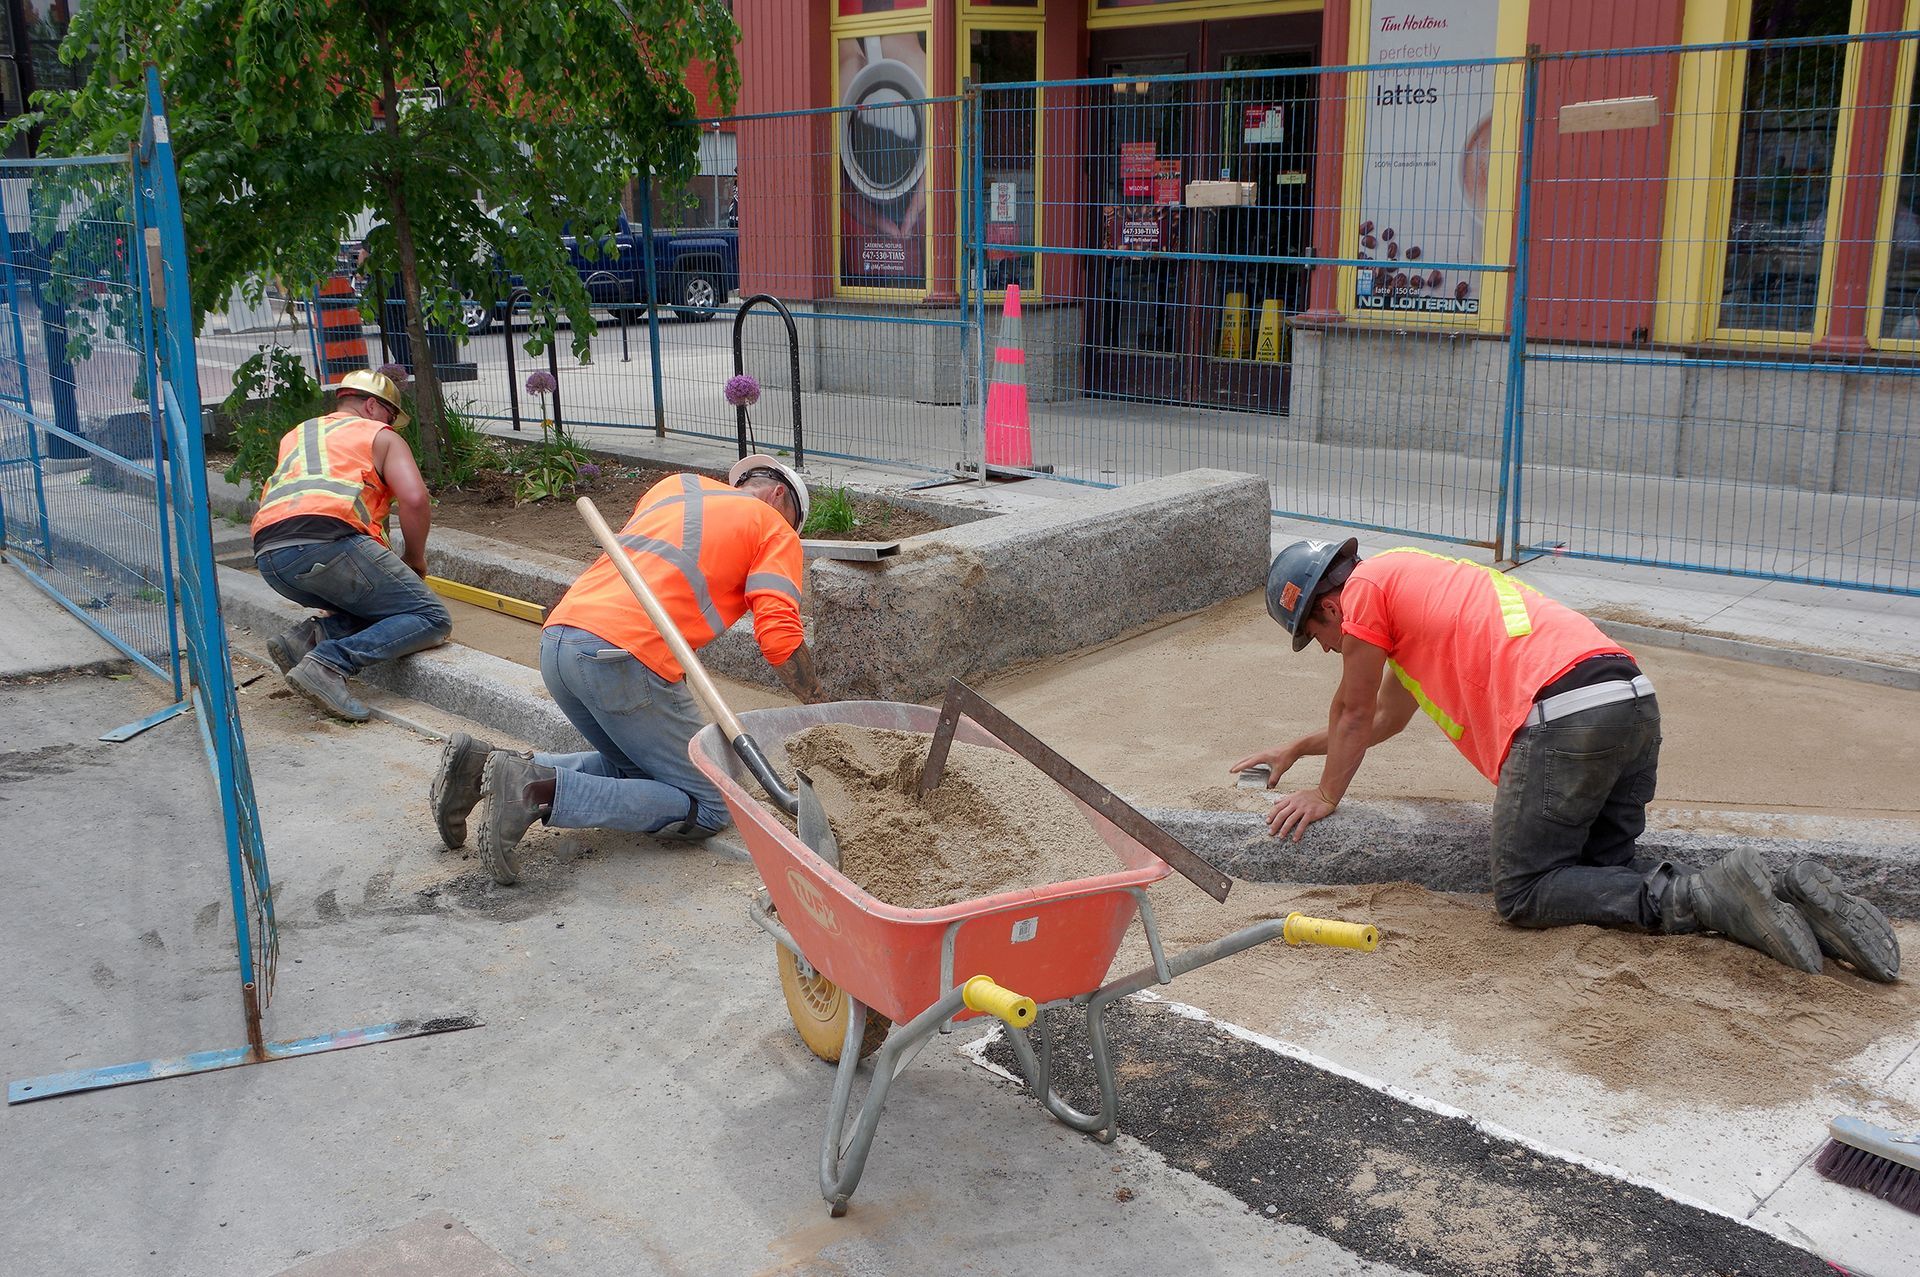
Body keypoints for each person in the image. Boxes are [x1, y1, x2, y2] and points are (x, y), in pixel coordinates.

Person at [1232, 538, 1900, 982]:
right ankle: (1788, 895)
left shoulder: (1367, 593)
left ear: (1326, 604)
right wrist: (1298, 746)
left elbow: (1352, 710)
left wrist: (1325, 795)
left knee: (1523, 891)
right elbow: (1379, 718)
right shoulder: (1418, 586)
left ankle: (1702, 893)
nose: (1325, 648)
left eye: (1314, 635)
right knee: (1602, 878)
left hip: (1564, 716)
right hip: (1628, 699)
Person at [431, 455, 826, 884]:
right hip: (624, 658)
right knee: (714, 803)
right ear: (779, 495)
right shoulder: (775, 529)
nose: (791, 530)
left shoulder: (677, 486)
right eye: (793, 521)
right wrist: (822, 706)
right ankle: (533, 790)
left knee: (637, 773)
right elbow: (780, 637)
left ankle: (481, 767)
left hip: (561, 639)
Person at [250, 368, 450, 723]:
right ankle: (329, 664)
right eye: (390, 415)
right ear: (372, 406)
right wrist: (414, 560)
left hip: (270, 557)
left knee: (377, 607)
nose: (391, 424)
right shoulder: (380, 436)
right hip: (327, 541)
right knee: (430, 618)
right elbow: (416, 500)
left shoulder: (298, 434)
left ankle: (308, 638)